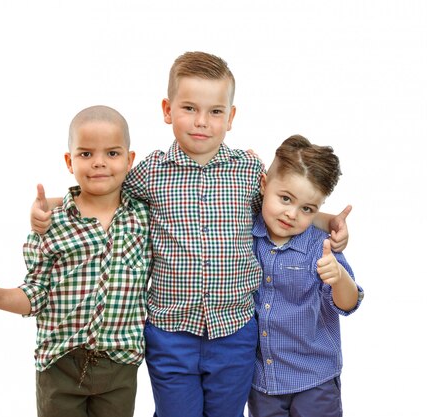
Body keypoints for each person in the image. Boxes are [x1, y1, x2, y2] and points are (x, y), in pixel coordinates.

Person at [30, 52, 351, 417]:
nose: (202, 122)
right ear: (168, 110)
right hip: (170, 331)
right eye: (189, 108)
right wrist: (53, 204)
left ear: (230, 118)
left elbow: (285, 205)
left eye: (215, 111)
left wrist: (328, 221)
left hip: (234, 329)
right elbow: (105, 190)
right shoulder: (151, 172)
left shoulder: (247, 170)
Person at [0, 105, 151, 417]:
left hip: (120, 364)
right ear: (69, 161)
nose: (98, 163)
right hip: (60, 365)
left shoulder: (144, 218)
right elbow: (36, 293)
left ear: (129, 160)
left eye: (112, 153)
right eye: (85, 154)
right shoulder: (53, 224)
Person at [249, 135, 364, 417]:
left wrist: (338, 277)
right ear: (264, 185)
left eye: (307, 209)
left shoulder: (319, 246)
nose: (291, 214)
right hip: (264, 380)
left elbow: (348, 304)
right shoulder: (246, 232)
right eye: (285, 199)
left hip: (315, 379)